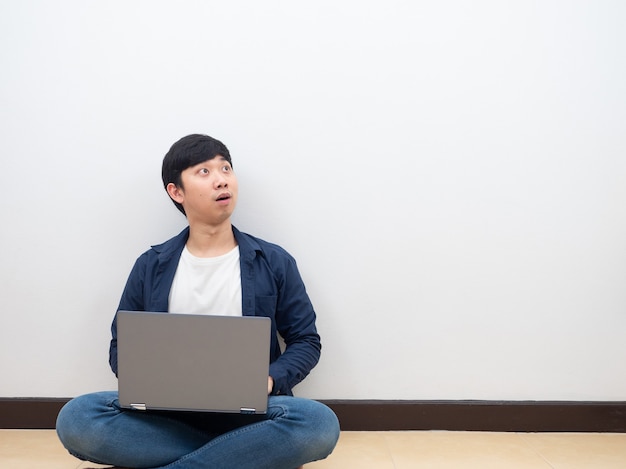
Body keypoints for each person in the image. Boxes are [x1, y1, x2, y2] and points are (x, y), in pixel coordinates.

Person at [56, 134, 340, 469]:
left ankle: (200, 457)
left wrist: (268, 380)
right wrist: (153, 382)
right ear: (176, 192)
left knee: (318, 425)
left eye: (226, 168)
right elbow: (121, 347)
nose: (222, 179)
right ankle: (237, 455)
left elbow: (306, 341)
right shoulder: (151, 265)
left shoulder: (274, 261)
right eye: (204, 172)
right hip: (167, 418)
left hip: (252, 416)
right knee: (76, 417)